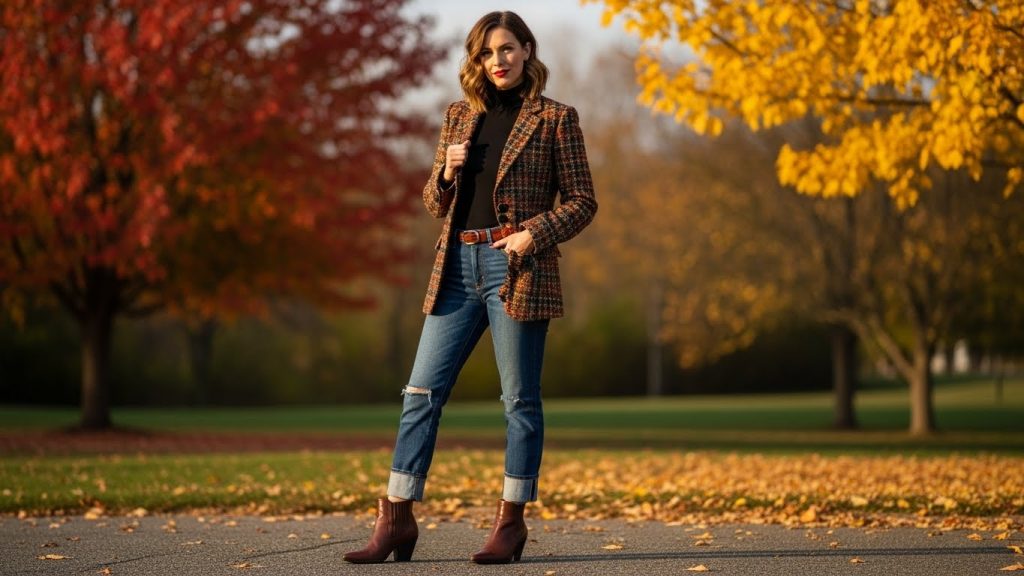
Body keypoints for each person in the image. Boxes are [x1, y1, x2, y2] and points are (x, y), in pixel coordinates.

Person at [343, 10, 597, 565]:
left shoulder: (556, 118)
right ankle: (397, 517)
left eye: (506, 49)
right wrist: (445, 172)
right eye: (485, 53)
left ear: (526, 49)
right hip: (457, 267)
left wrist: (533, 234)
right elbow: (434, 204)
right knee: (420, 394)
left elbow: (583, 201)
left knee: (519, 401)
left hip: (517, 267)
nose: (497, 61)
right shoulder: (460, 115)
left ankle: (510, 523)